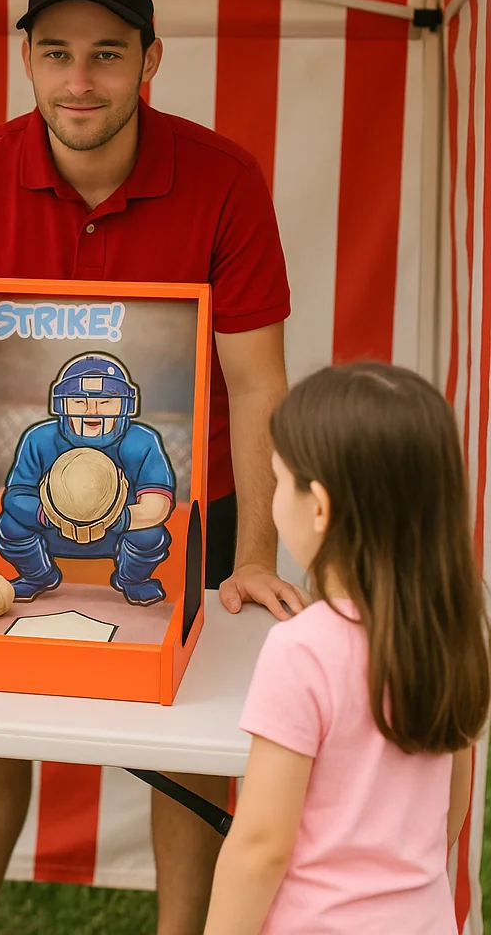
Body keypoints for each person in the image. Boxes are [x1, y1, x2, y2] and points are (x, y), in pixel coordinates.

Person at [0, 0, 305, 935]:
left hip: (186, 501)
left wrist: (252, 558)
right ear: (24, 57)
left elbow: (257, 383)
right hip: (7, 502)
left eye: (107, 54)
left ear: (151, 59)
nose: (80, 80)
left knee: (188, 732)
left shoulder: (225, 180)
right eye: (58, 53)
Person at [203, 361, 490, 934]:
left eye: (281, 479)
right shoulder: (453, 628)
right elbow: (449, 814)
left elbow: (260, 846)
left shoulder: (302, 650)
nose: (274, 493)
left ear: (320, 507)